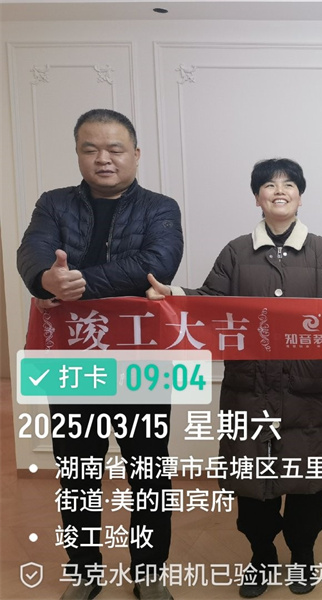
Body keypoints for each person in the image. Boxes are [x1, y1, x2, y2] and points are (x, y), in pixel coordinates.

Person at [147, 158, 322, 598]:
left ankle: (303, 556)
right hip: (249, 390)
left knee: (308, 484)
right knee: (252, 486)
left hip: (310, 391)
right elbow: (209, 301)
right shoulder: (235, 252)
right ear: (257, 198)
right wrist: (175, 294)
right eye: (269, 185)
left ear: (300, 197)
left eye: (289, 185)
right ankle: (262, 556)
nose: (279, 190)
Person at [16, 109, 184, 600]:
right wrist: (44, 278)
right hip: (70, 360)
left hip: (141, 361)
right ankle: (85, 572)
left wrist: (73, 285)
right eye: (90, 149)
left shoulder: (161, 207)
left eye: (114, 149)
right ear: (77, 154)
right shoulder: (53, 203)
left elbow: (157, 263)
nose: (103, 158)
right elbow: (32, 253)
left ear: (136, 154)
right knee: (77, 475)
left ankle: (148, 572)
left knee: (148, 474)